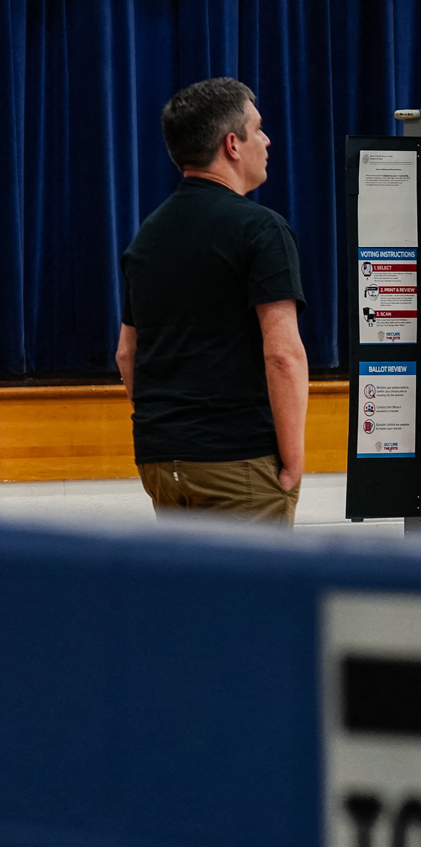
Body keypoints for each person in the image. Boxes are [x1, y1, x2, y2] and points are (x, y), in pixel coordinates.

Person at [116, 77, 307, 526]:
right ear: (232, 144)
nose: (267, 139)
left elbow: (128, 353)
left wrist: (167, 431)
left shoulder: (149, 234)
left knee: (190, 596)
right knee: (258, 597)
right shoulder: (261, 229)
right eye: (257, 128)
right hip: (238, 460)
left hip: (161, 462)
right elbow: (283, 354)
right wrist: (295, 459)